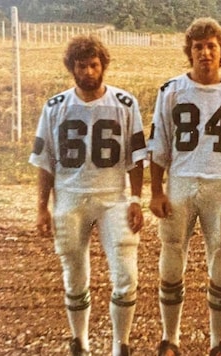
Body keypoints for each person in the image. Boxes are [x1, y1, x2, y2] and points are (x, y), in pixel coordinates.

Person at [29, 34, 146, 356]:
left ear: (103, 65)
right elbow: (45, 162)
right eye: (82, 66)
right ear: (72, 68)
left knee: (125, 276)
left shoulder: (125, 103)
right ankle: (79, 341)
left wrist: (136, 200)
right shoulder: (55, 106)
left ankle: (120, 344)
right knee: (74, 273)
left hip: (113, 196)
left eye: (94, 65)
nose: (89, 72)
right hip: (69, 196)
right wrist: (41, 208)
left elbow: (137, 157)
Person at [147, 17, 221, 356]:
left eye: (211, 46)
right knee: (172, 252)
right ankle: (170, 338)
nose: (205, 53)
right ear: (189, 51)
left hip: (219, 184)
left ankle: (218, 340)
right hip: (180, 180)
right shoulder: (172, 90)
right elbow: (159, 143)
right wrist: (155, 190)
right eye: (198, 47)